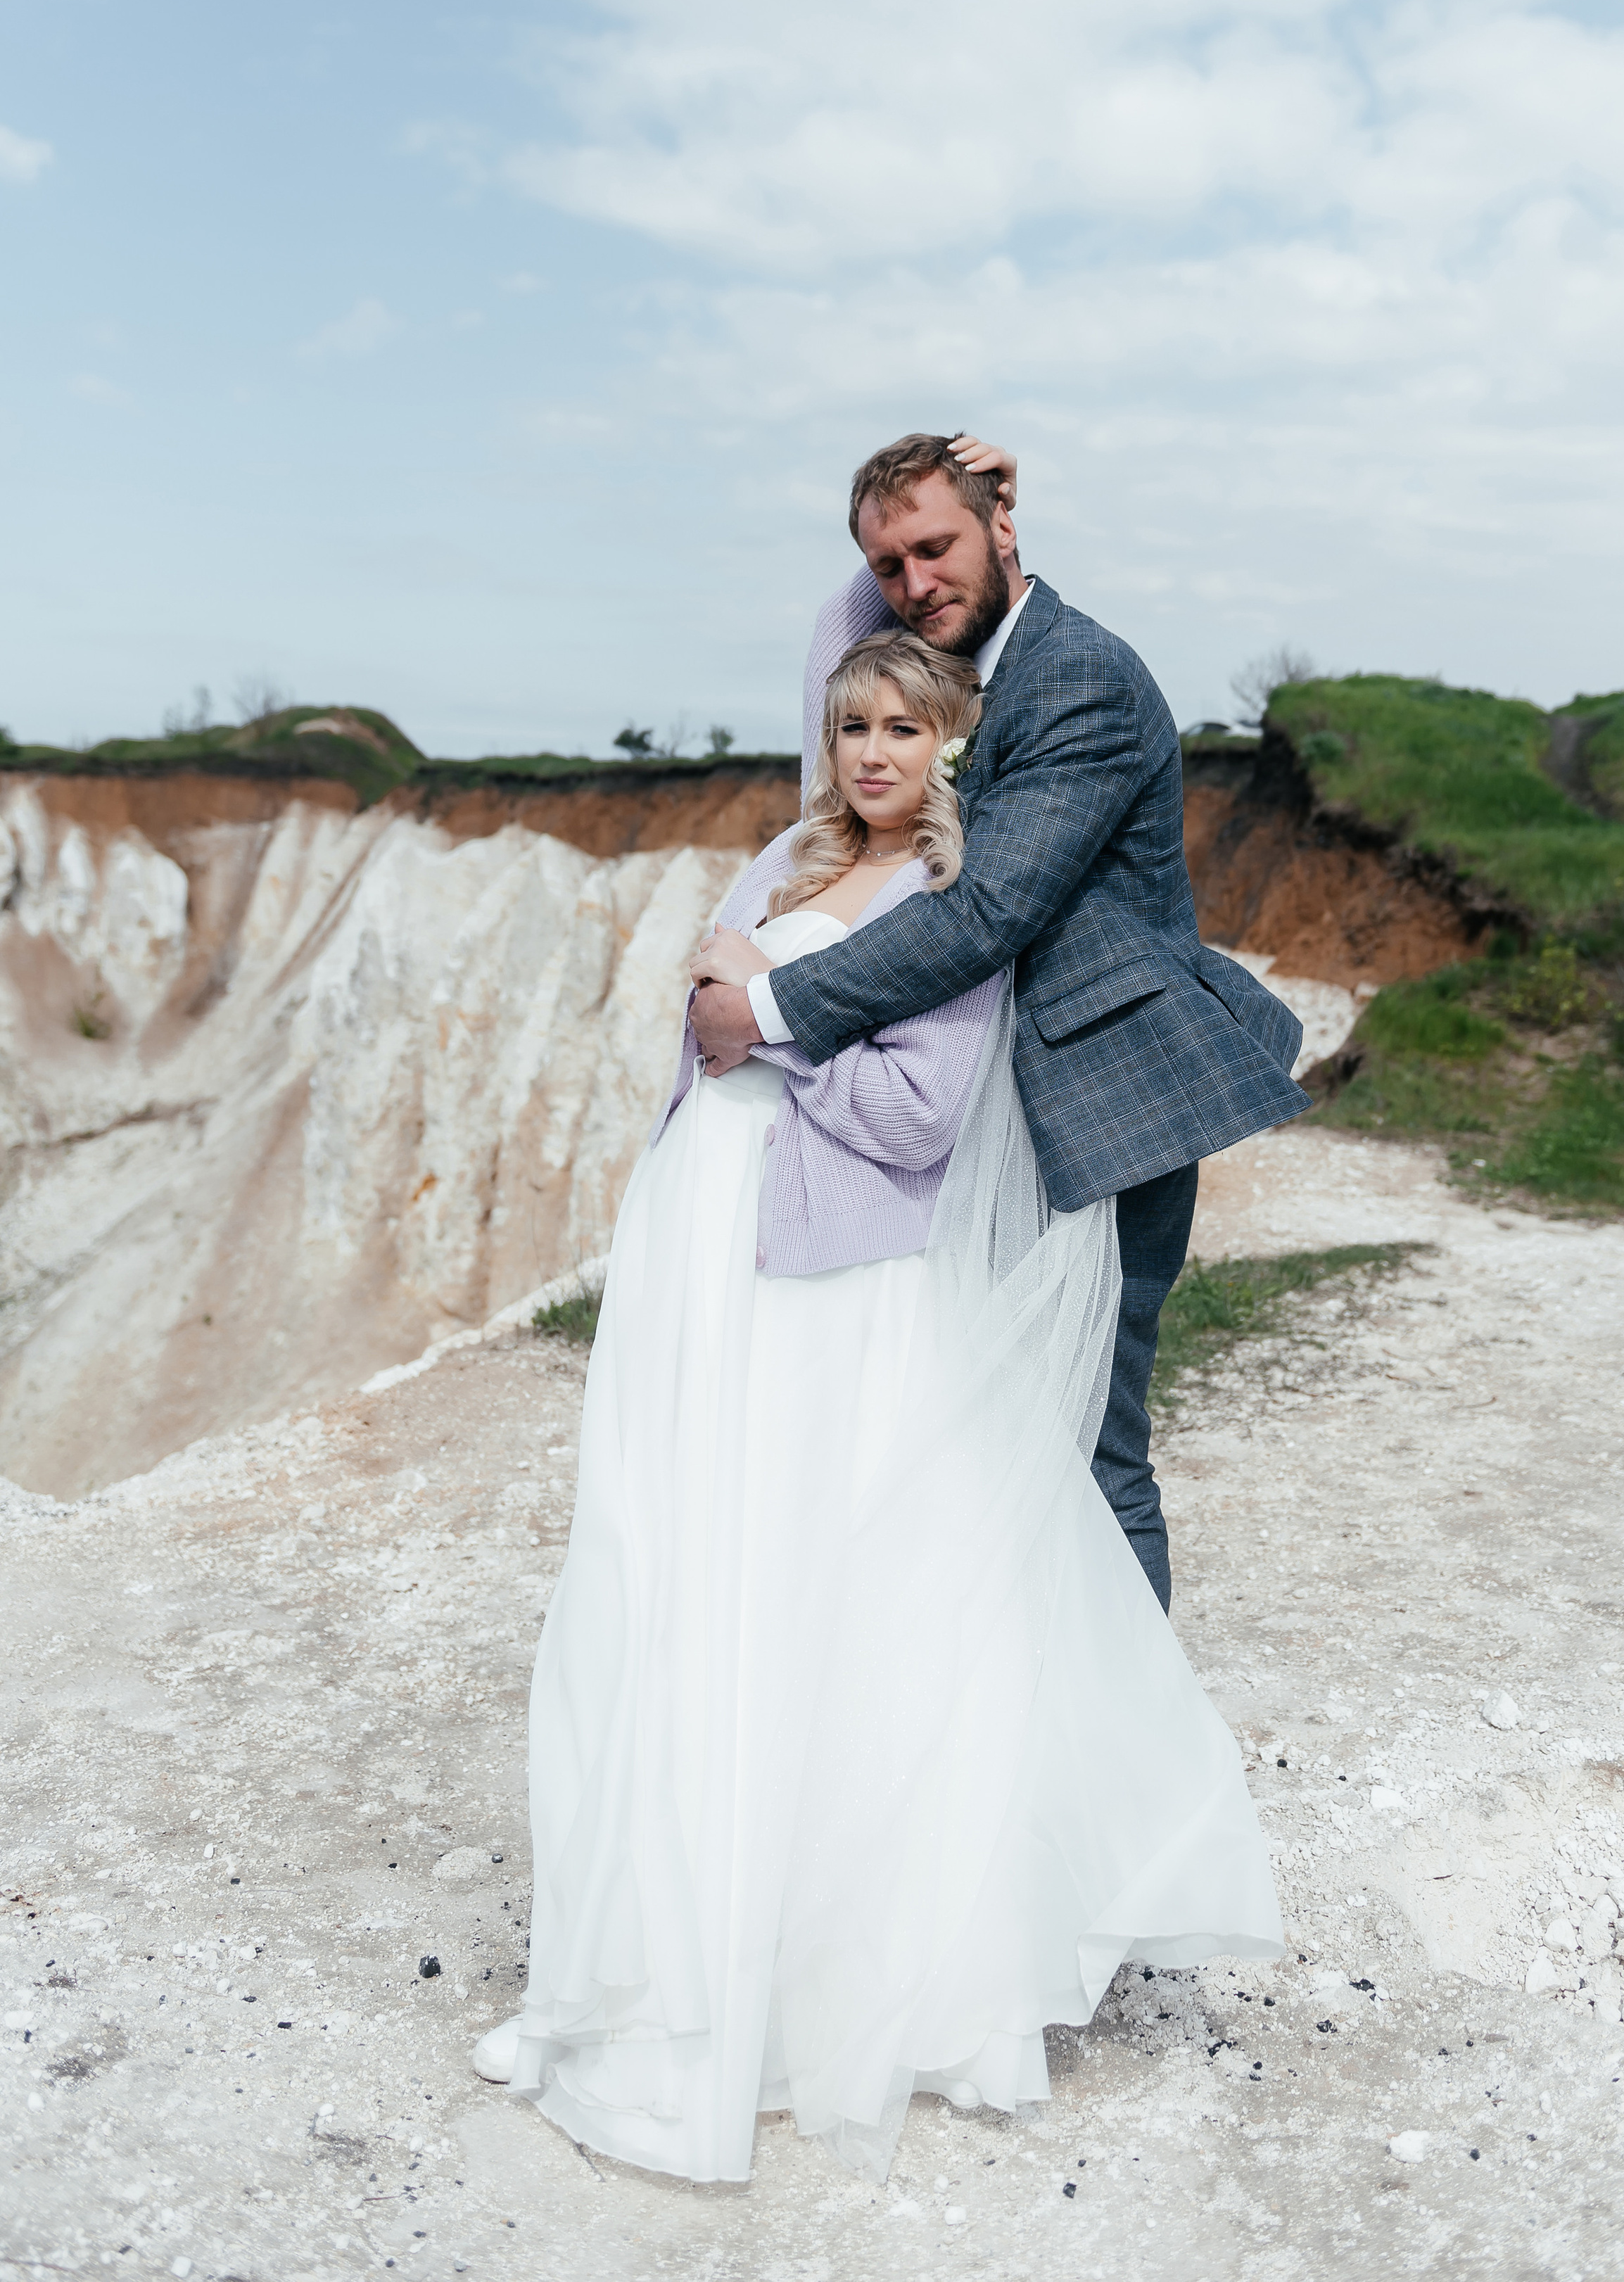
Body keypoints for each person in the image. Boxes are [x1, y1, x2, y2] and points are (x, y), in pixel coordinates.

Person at [473, 618, 1283, 2182]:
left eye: (905, 730)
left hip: (831, 1287)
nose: (871, 755)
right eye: (852, 726)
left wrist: (766, 1029)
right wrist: (725, 1033)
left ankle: (807, 1990)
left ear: (950, 751)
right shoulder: (781, 854)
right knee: (669, 1591)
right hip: (704, 1264)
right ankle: (622, 1971)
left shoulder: (943, 901)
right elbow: (690, 1035)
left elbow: (914, 1117)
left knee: (819, 1608)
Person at [691, 432, 1309, 1610]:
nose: (914, 581)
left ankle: (1128, 1762)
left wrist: (765, 1007)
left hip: (1105, 1112)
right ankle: (1033, 1723)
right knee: (994, 1435)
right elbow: (852, 640)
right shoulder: (958, 665)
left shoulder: (1076, 675)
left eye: (939, 545)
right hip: (992, 1120)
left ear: (1004, 530)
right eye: (887, 563)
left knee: (1090, 1446)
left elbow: (986, 912)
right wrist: (920, 533)